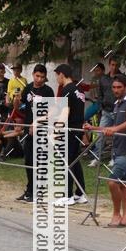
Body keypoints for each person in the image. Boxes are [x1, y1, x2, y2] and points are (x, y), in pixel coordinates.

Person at [85, 75, 126, 227]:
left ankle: (116, 215)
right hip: (118, 148)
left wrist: (114, 129)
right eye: (114, 87)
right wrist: (93, 128)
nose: (116, 90)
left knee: (112, 182)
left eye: (119, 87)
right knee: (124, 184)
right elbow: (111, 127)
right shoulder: (117, 104)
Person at [16, 65, 54, 202]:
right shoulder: (28, 88)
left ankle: (39, 191)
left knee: (40, 161)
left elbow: (51, 111)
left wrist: (38, 122)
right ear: (33, 75)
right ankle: (30, 189)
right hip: (29, 129)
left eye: (42, 77)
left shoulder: (48, 91)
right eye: (37, 76)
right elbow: (21, 108)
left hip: (42, 130)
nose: (39, 79)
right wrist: (16, 101)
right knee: (28, 160)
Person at [53, 63, 87, 205]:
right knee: (74, 161)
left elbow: (64, 112)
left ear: (61, 74)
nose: (56, 79)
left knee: (66, 161)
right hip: (78, 129)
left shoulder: (67, 89)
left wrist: (56, 131)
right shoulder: (78, 89)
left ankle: (67, 195)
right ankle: (80, 193)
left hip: (70, 130)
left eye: (56, 75)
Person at [89, 55, 122, 166]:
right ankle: (96, 157)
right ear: (109, 65)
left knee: (116, 136)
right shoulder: (103, 79)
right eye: (112, 64)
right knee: (100, 134)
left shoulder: (122, 78)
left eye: (117, 65)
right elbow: (100, 94)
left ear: (119, 65)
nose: (114, 67)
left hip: (118, 111)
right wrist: (101, 106)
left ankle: (114, 158)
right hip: (106, 111)